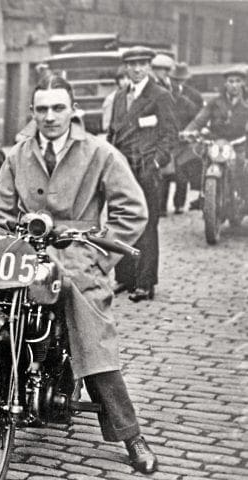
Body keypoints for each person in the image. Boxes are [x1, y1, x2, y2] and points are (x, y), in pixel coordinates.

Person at [0, 75, 158, 475]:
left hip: (77, 257)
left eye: (58, 108)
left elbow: (132, 211)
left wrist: (97, 255)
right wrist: (2, 248)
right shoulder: (18, 155)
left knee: (89, 331)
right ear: (32, 112)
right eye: (42, 109)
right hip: (24, 254)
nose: (50, 117)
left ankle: (129, 433)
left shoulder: (100, 153)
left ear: (72, 110)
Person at [107, 46, 178, 302]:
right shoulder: (119, 96)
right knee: (120, 223)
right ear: (125, 67)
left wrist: (157, 163)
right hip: (121, 170)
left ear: (149, 66)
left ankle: (146, 283)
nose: (137, 69)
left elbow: (170, 134)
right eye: (132, 64)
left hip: (146, 169)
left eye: (142, 64)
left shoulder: (159, 95)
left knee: (147, 227)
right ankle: (124, 277)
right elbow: (113, 133)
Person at [184, 65, 248, 211]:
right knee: (203, 162)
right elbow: (199, 119)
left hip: (240, 144)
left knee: (245, 170)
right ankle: (203, 195)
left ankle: (244, 200)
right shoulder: (215, 102)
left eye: (238, 81)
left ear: (243, 83)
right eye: (230, 81)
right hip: (217, 143)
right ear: (225, 84)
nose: (234, 85)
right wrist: (189, 132)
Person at [169, 62, 204, 214]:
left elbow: (199, 117)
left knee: (181, 173)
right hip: (169, 138)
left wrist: (190, 132)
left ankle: (179, 204)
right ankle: (161, 207)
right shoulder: (164, 93)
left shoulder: (194, 96)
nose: (177, 83)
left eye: (180, 80)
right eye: (174, 80)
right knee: (166, 173)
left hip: (186, 139)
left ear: (185, 80)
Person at [102, 66, 131, 132]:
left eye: (129, 78)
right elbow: (106, 126)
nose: (126, 82)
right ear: (117, 81)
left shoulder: (136, 96)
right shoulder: (111, 99)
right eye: (122, 79)